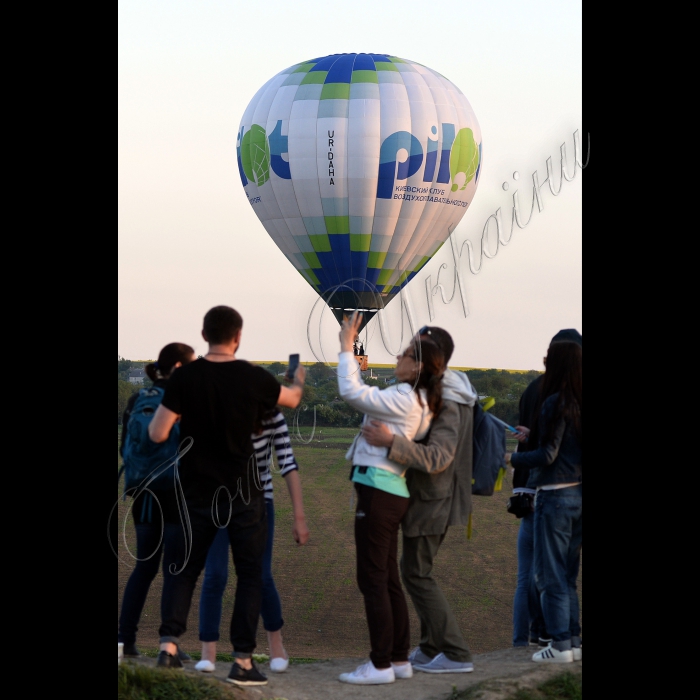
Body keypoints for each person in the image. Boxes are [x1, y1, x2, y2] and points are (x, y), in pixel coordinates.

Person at [148, 306, 305, 687]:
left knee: (186, 571)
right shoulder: (252, 377)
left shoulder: (186, 379)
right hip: (244, 493)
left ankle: (169, 649)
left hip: (196, 491)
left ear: (204, 335)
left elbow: (157, 433)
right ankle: (243, 661)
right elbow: (292, 401)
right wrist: (296, 380)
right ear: (238, 337)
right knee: (251, 574)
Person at [336, 311, 446, 686]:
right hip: (391, 491)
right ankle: (399, 659)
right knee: (388, 580)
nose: (396, 359)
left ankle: (380, 664)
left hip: (378, 491)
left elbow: (352, 392)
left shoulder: (404, 397)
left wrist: (346, 348)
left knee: (372, 579)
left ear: (416, 366)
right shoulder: (421, 401)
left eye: (403, 355)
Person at [362, 325, 477, 674]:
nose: (401, 354)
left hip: (434, 499)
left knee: (416, 573)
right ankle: (429, 649)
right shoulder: (441, 391)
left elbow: (440, 456)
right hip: (430, 497)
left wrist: (390, 443)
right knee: (414, 571)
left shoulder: (451, 400)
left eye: (412, 350)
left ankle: (457, 654)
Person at [194, 409, 309, 674]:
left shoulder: (271, 416)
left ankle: (277, 647)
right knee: (215, 575)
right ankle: (207, 654)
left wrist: (299, 516)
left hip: (258, 502)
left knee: (261, 575)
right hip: (217, 502)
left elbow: (288, 464)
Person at [117, 342, 196, 661]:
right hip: (176, 493)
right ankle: (168, 645)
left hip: (143, 494)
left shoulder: (137, 398)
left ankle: (124, 641)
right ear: (179, 368)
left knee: (144, 568)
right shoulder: (184, 399)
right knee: (175, 569)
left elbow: (125, 447)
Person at [506, 334, 582, 664]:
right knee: (568, 577)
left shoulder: (555, 401)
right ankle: (574, 641)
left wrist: (513, 459)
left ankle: (560, 645)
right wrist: (533, 435)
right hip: (579, 496)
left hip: (553, 497)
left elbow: (548, 456)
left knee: (548, 577)